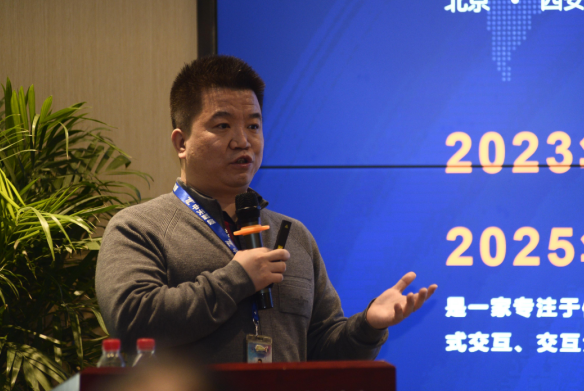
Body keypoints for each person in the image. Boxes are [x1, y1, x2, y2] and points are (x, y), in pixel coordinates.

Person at [95, 55, 437, 363]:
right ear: (182, 142)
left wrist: (368, 326)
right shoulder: (139, 227)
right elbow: (131, 322)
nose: (243, 140)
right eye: (223, 125)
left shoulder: (293, 235)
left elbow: (321, 349)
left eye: (253, 126)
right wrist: (237, 279)